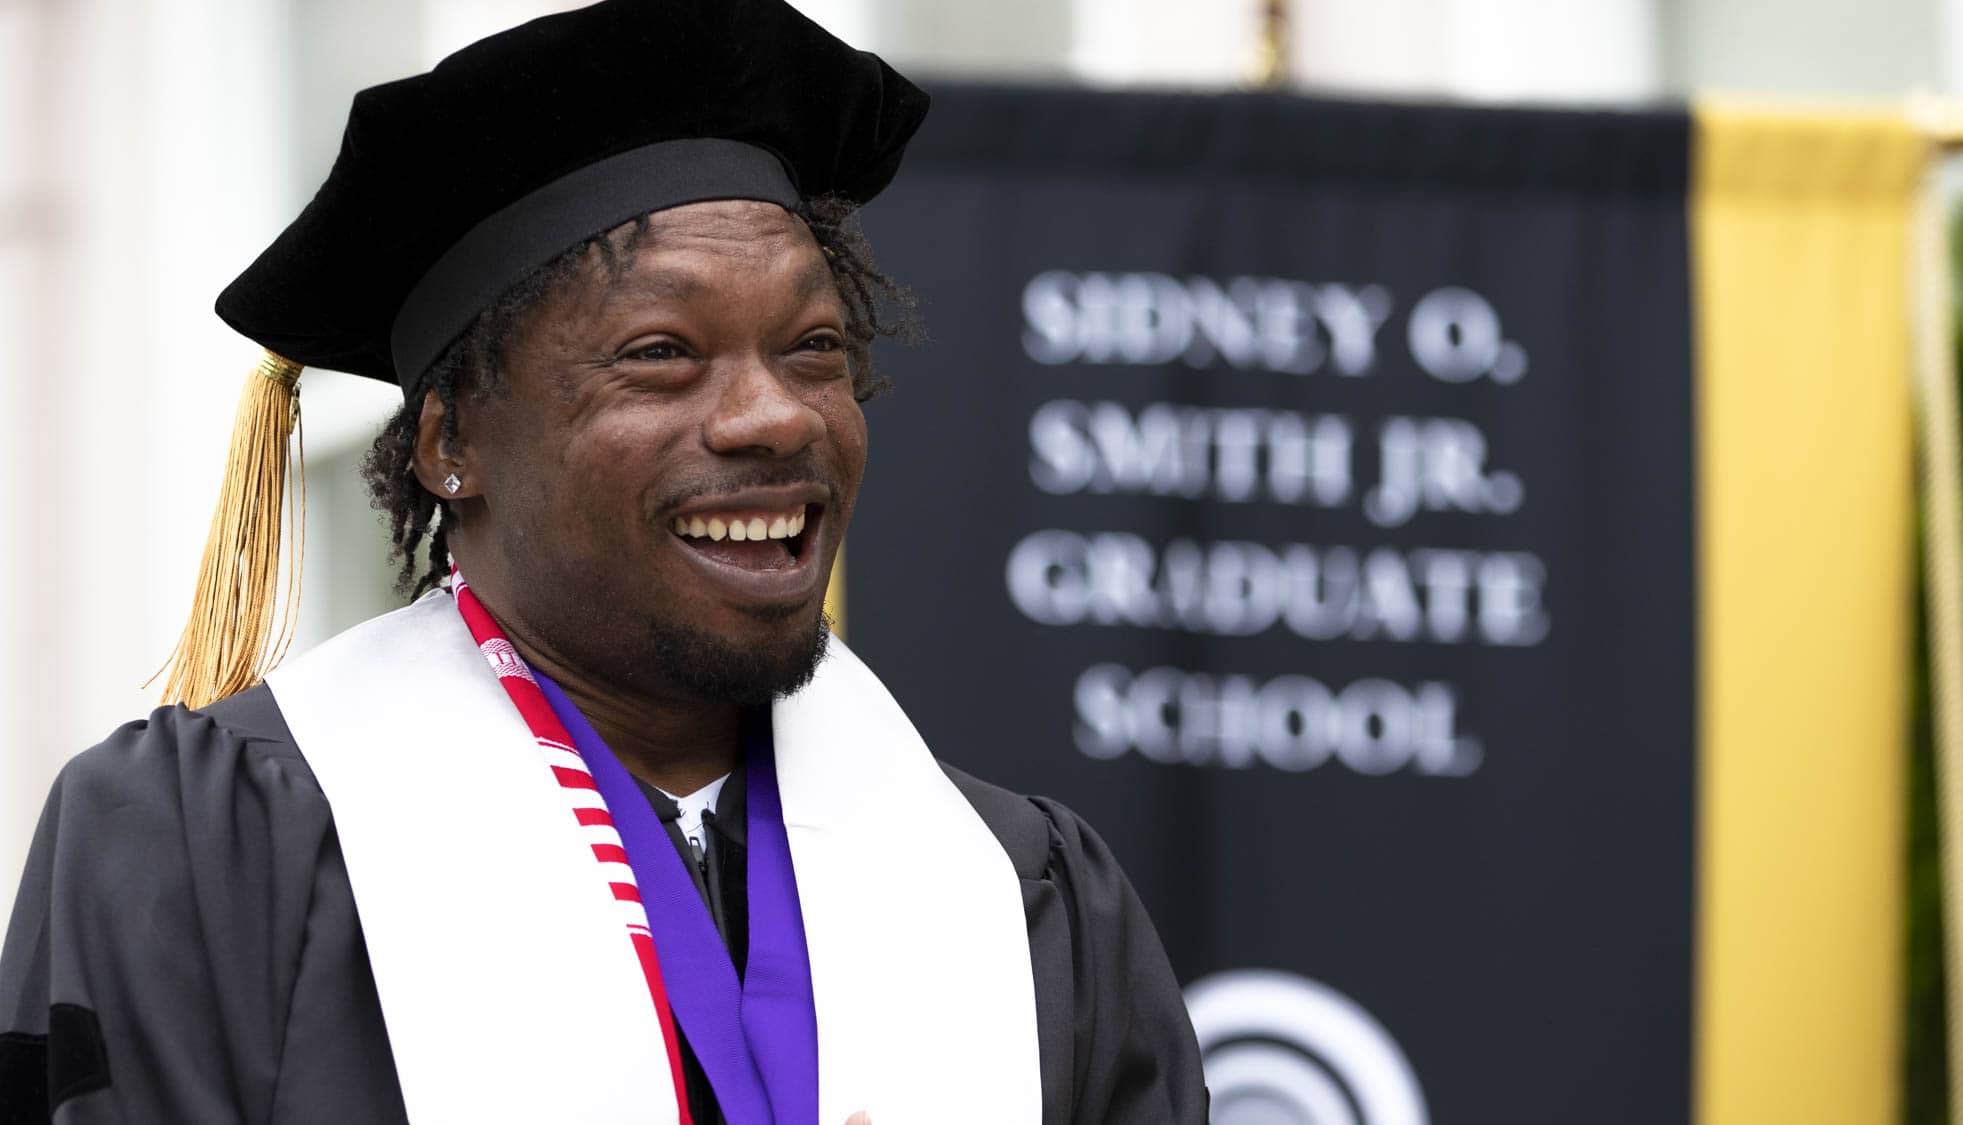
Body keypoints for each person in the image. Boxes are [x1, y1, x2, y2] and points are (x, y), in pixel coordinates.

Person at [0, 1, 1206, 1122]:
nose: (773, 417)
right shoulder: (209, 853)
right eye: (661, 353)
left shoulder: (1016, 899)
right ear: (450, 443)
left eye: (814, 347)